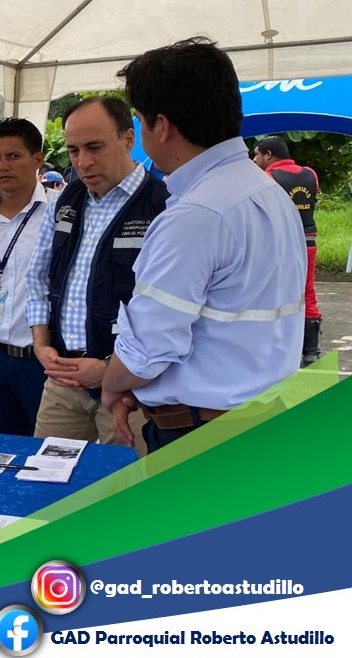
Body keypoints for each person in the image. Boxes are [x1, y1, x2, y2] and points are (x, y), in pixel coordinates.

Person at [102, 37, 306, 452]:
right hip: (258, 420)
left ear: (162, 126)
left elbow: (149, 348)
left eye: (140, 121)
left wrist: (112, 386)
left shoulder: (197, 214)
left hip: (203, 436)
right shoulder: (268, 193)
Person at [27, 97, 169, 454]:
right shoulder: (66, 200)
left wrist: (110, 369)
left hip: (130, 389)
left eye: (95, 147)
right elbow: (37, 277)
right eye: (74, 150)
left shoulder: (163, 204)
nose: (83, 162)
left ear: (128, 139)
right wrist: (41, 344)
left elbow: (168, 312)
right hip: (62, 380)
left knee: (127, 482)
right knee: (44, 478)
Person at [0, 118, 50, 435]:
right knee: (1, 447)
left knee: (45, 450)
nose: (2, 166)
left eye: (14, 156)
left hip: (39, 359)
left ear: (37, 159)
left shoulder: (58, 212)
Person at [252, 136, 322, 366]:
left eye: (257, 154)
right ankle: (311, 351)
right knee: (307, 292)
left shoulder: (267, 178)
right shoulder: (310, 174)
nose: (254, 159)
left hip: (280, 243)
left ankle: (277, 348)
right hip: (308, 240)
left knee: (274, 292)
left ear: (268, 155)